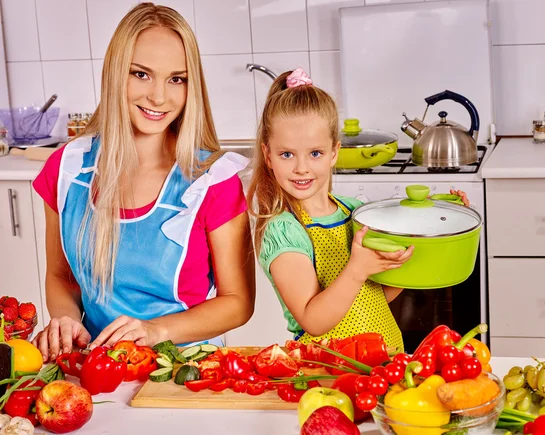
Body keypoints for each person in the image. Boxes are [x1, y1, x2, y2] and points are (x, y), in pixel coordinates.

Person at [32, 3, 255, 362]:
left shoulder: (212, 181)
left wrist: (156, 331)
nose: (159, 97)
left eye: (176, 79)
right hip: (95, 367)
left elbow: (238, 303)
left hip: (185, 373)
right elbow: (61, 276)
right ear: (116, 72)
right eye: (141, 74)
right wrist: (67, 319)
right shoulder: (68, 169)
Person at [247, 68, 414, 351]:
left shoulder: (355, 211)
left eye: (315, 153)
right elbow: (313, 320)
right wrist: (357, 270)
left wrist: (402, 263)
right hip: (328, 373)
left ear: (334, 152)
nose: (301, 167)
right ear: (268, 156)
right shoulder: (284, 230)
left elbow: (371, 298)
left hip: (387, 360)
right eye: (287, 154)